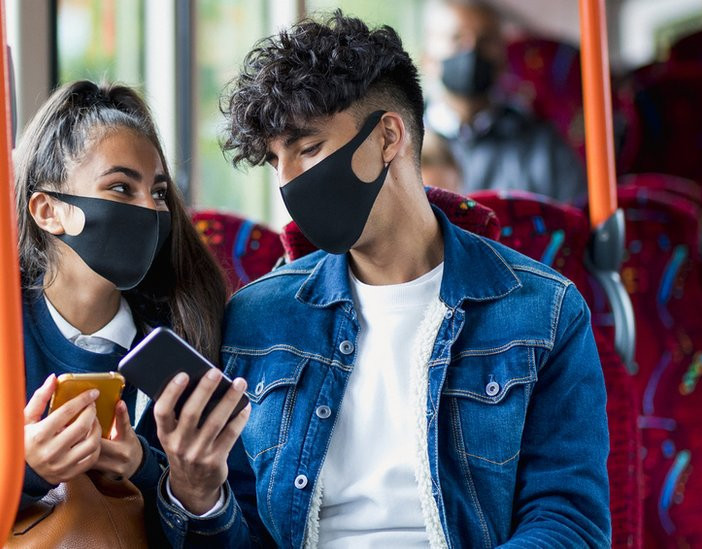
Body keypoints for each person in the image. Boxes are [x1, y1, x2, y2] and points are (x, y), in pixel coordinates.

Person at [150, 11, 611, 548]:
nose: (289, 183)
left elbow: (567, 521)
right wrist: (200, 496)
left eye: (309, 149)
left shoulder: (543, 311)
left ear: (388, 136)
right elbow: (245, 531)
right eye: (276, 161)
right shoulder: (258, 318)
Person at [0, 80, 226, 543]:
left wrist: (144, 468)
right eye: (122, 188)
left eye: (159, 192)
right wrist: (20, 467)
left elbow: (226, 515)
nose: (149, 208)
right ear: (47, 211)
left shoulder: (186, 328)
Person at [423, 0, 587, 203]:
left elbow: (576, 222)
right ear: (428, 59)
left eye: (485, 41)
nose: (472, 49)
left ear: (503, 58)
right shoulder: (403, 145)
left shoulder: (542, 145)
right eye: (456, 38)